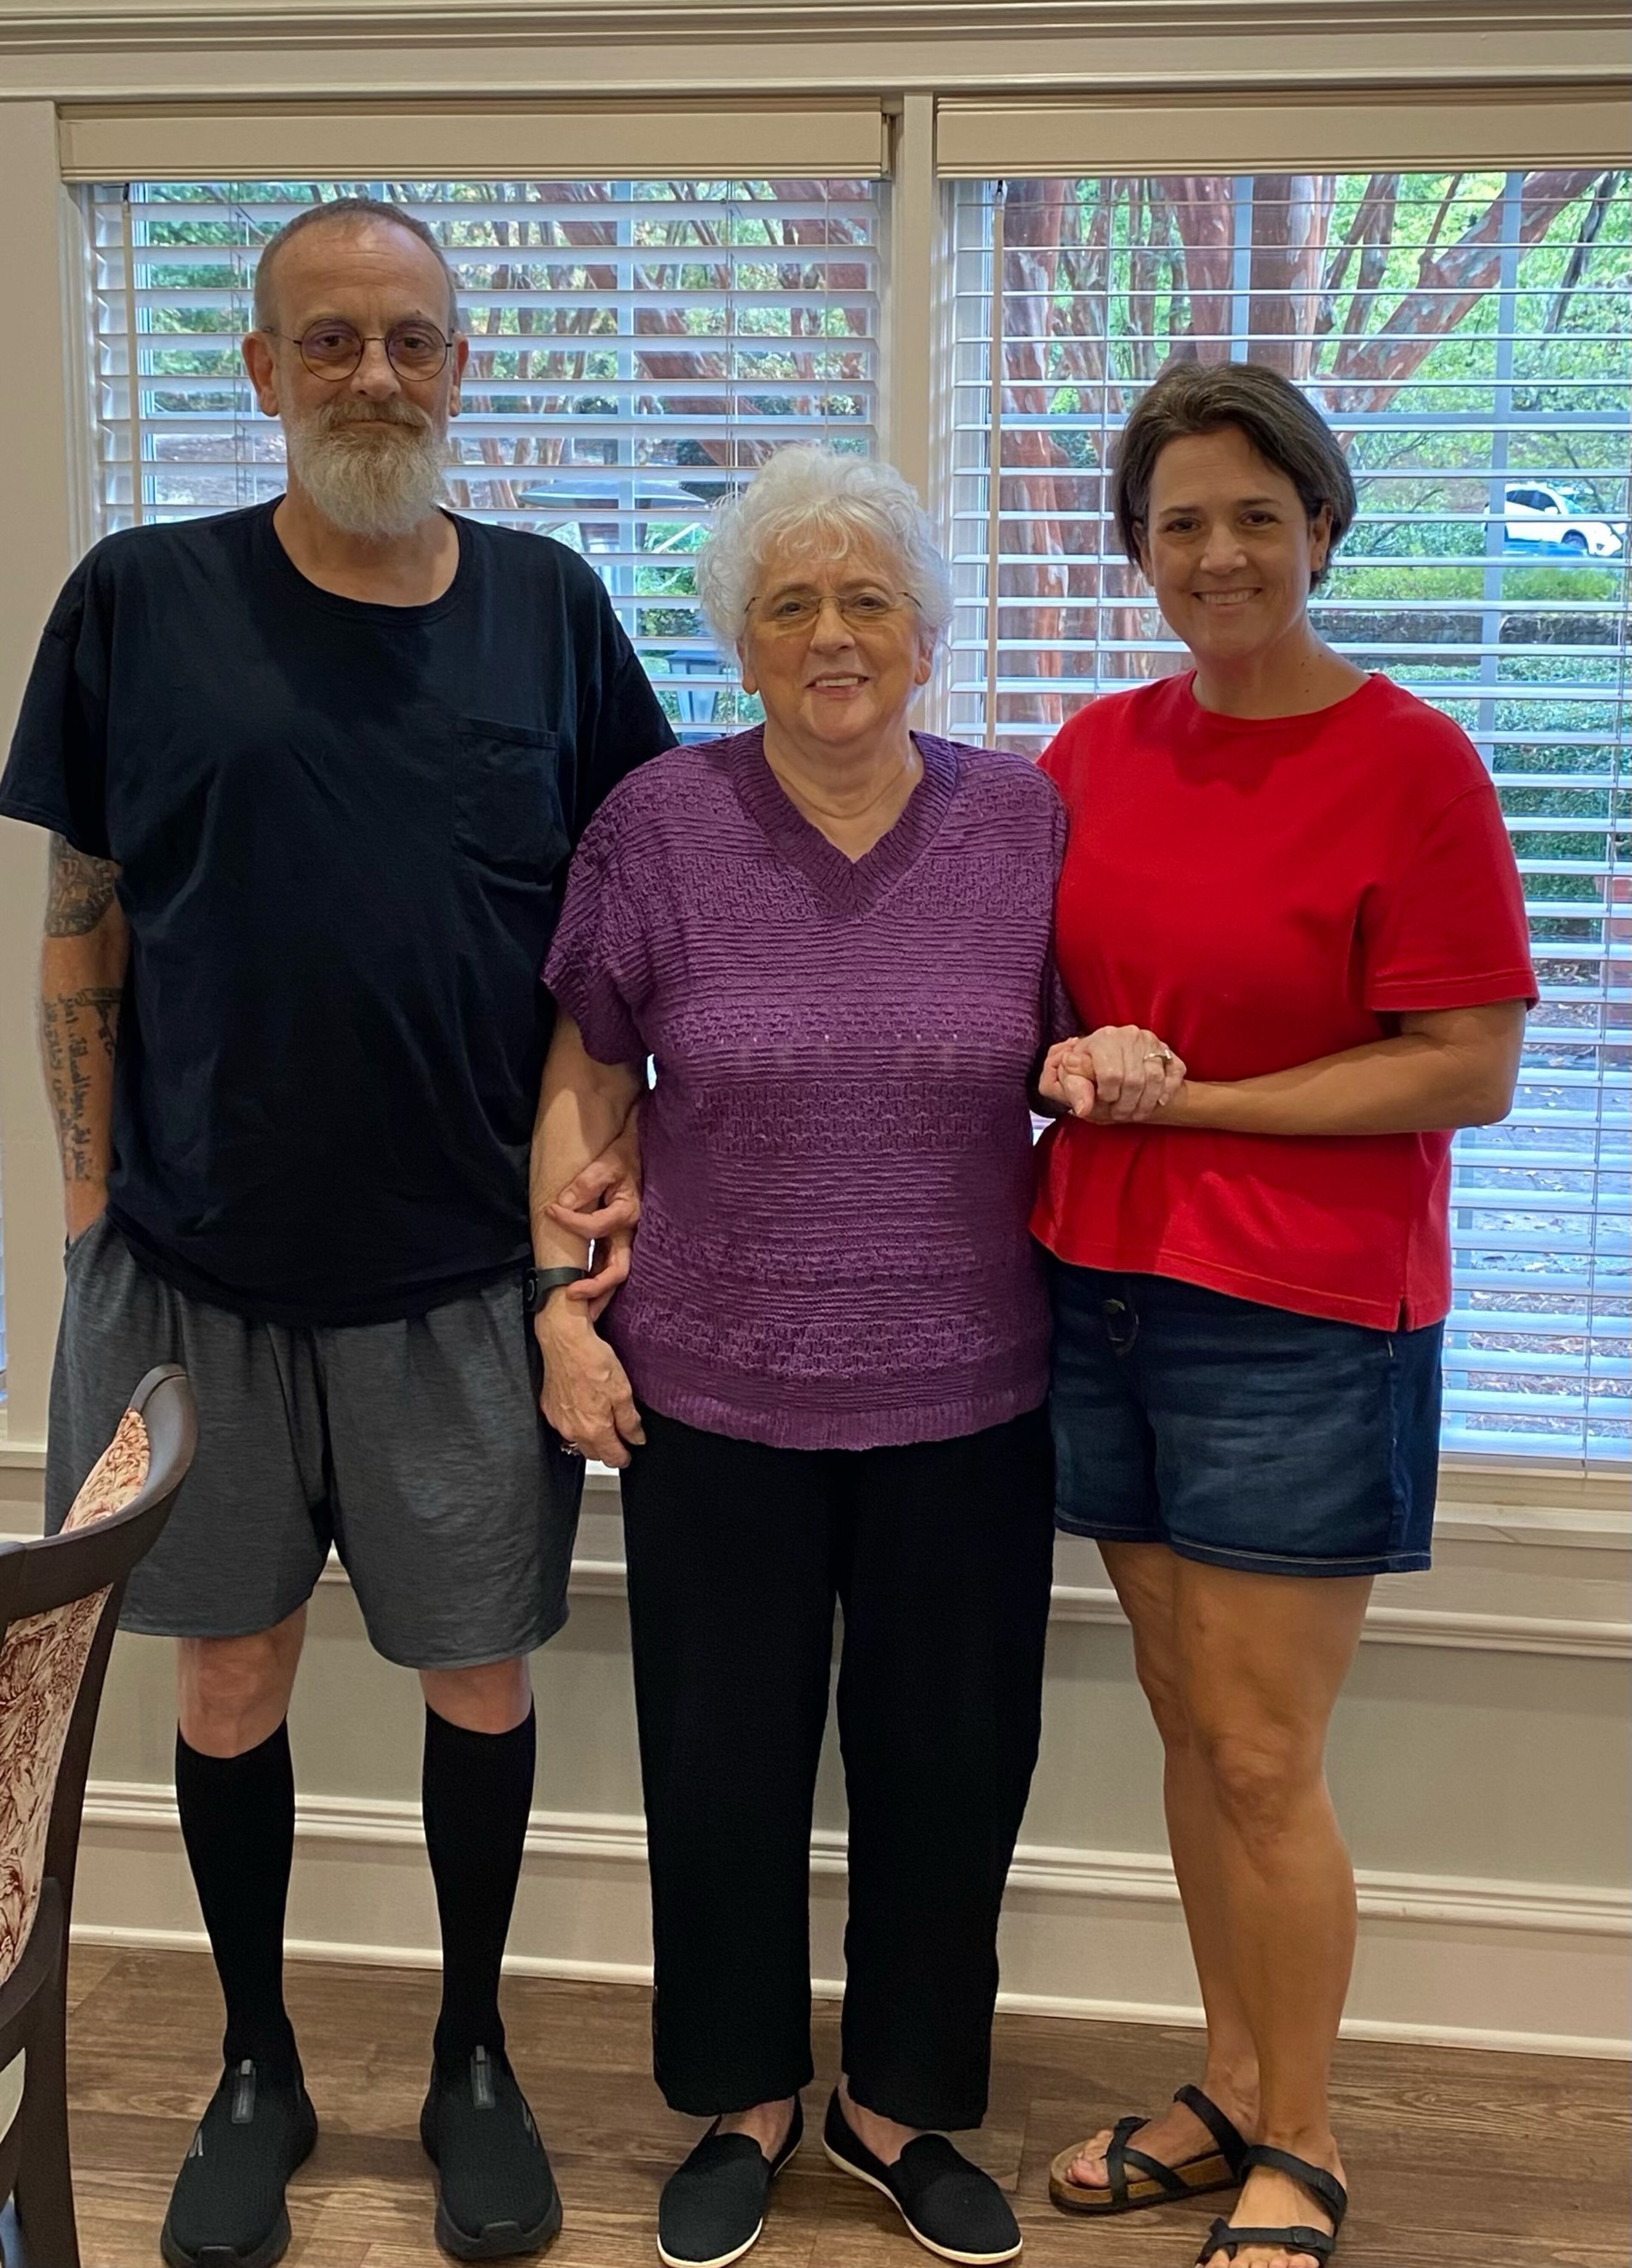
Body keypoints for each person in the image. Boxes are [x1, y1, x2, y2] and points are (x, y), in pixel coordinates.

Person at [0, 195, 674, 2268]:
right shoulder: (138, 601)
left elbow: (621, 956)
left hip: (459, 1282)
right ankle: (255, 2066)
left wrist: (582, 1235)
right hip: (188, 1275)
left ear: (462, 366)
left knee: (478, 1676)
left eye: (411, 339)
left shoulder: (553, 613)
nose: (373, 373)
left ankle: (473, 2057)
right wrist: (91, 1210)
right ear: (261, 368)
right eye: (329, 338)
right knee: (228, 1677)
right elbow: (85, 920)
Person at [529, 444, 1066, 2268]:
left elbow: (1089, 1050)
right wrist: (559, 1301)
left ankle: (899, 2105)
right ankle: (742, 2098)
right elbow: (588, 1071)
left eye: (866, 601)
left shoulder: (1027, 826)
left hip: (969, 1391)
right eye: (789, 605)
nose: (832, 635)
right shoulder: (658, 825)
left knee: (953, 1764)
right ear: (740, 644)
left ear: (927, 635)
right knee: (722, 1763)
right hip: (714, 1390)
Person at [1033, 359, 1534, 2268]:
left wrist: (1199, 1107)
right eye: (1182, 523)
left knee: (1261, 1750)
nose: (1220, 553)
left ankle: (1306, 2141)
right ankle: (1232, 2082)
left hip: (1305, 1311)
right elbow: (1039, 1009)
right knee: (1187, 1719)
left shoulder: (1412, 763)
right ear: (1138, 550)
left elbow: (1467, 1063)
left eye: (1258, 515)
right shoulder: (1093, 753)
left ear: (1322, 527)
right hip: (1104, 1288)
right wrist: (1071, 1062)